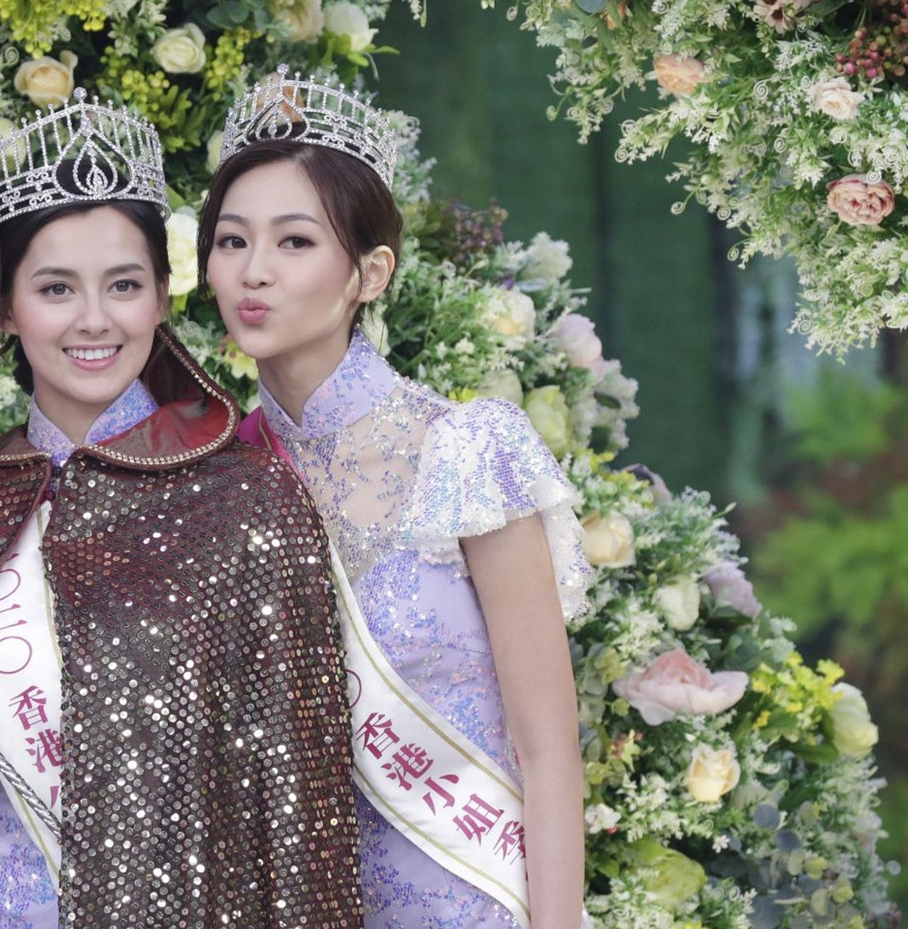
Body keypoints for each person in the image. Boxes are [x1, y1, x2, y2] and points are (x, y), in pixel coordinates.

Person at [0, 94, 365, 929]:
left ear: (162, 296)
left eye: (123, 285)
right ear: (6, 309)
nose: (94, 319)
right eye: (56, 288)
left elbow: (298, 817)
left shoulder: (249, 499)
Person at [199, 71, 592, 929]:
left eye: (294, 241)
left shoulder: (465, 450)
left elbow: (549, 751)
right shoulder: (214, 478)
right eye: (231, 240)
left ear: (370, 273)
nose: (254, 271)